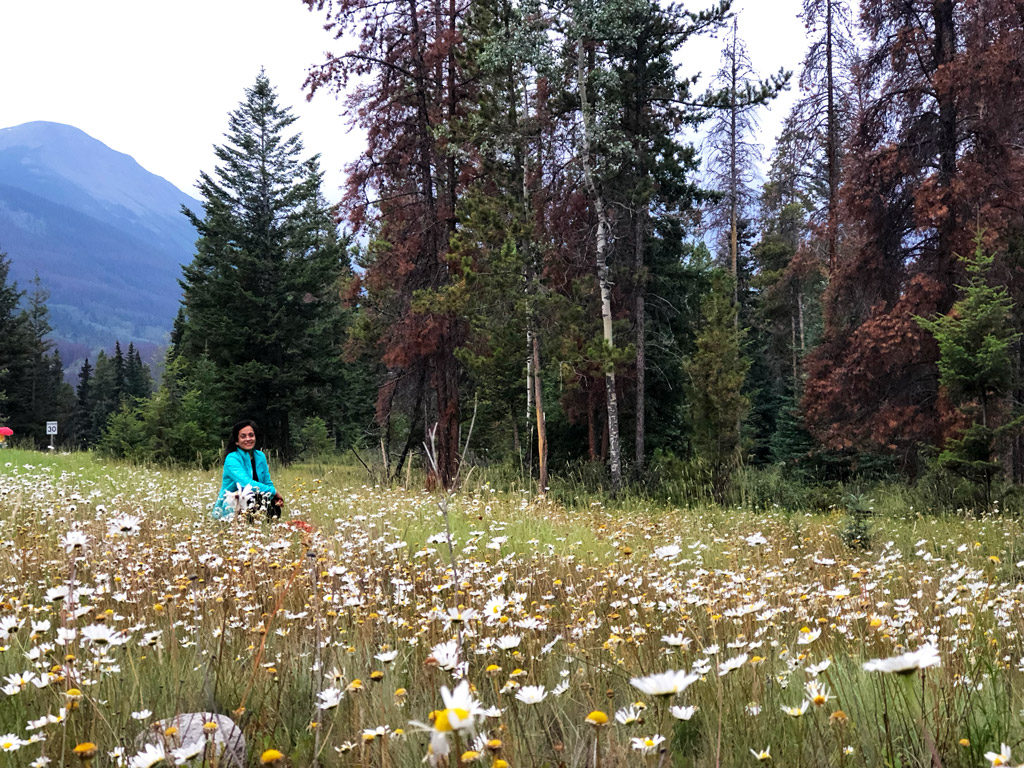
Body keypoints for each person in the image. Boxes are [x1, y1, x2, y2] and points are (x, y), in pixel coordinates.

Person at [211, 420, 284, 521]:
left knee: (273, 506)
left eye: (251, 435)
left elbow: (267, 482)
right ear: (237, 441)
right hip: (234, 502)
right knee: (249, 499)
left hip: (256, 499)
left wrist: (273, 496)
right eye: (243, 436)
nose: (248, 439)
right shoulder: (232, 458)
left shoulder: (260, 456)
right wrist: (274, 492)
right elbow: (246, 484)